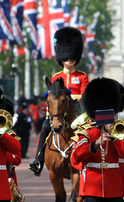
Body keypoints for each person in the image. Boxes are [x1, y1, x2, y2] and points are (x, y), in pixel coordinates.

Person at [29, 27, 88, 175]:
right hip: (59, 110)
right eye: (66, 58)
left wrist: (73, 98)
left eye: (71, 57)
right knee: (44, 129)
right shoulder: (55, 77)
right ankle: (38, 160)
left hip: (77, 110)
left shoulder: (82, 77)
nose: (69, 60)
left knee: (89, 131)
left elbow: (84, 95)